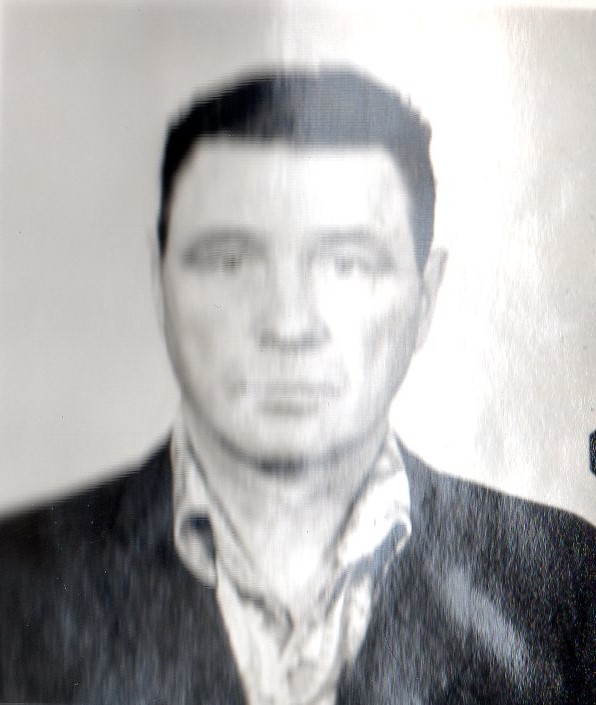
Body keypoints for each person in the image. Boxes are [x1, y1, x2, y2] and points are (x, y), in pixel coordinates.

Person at [0, 67, 594, 705]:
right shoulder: (16, 579)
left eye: (349, 264)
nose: (289, 325)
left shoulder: (566, 581)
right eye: (231, 260)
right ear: (159, 283)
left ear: (425, 298)